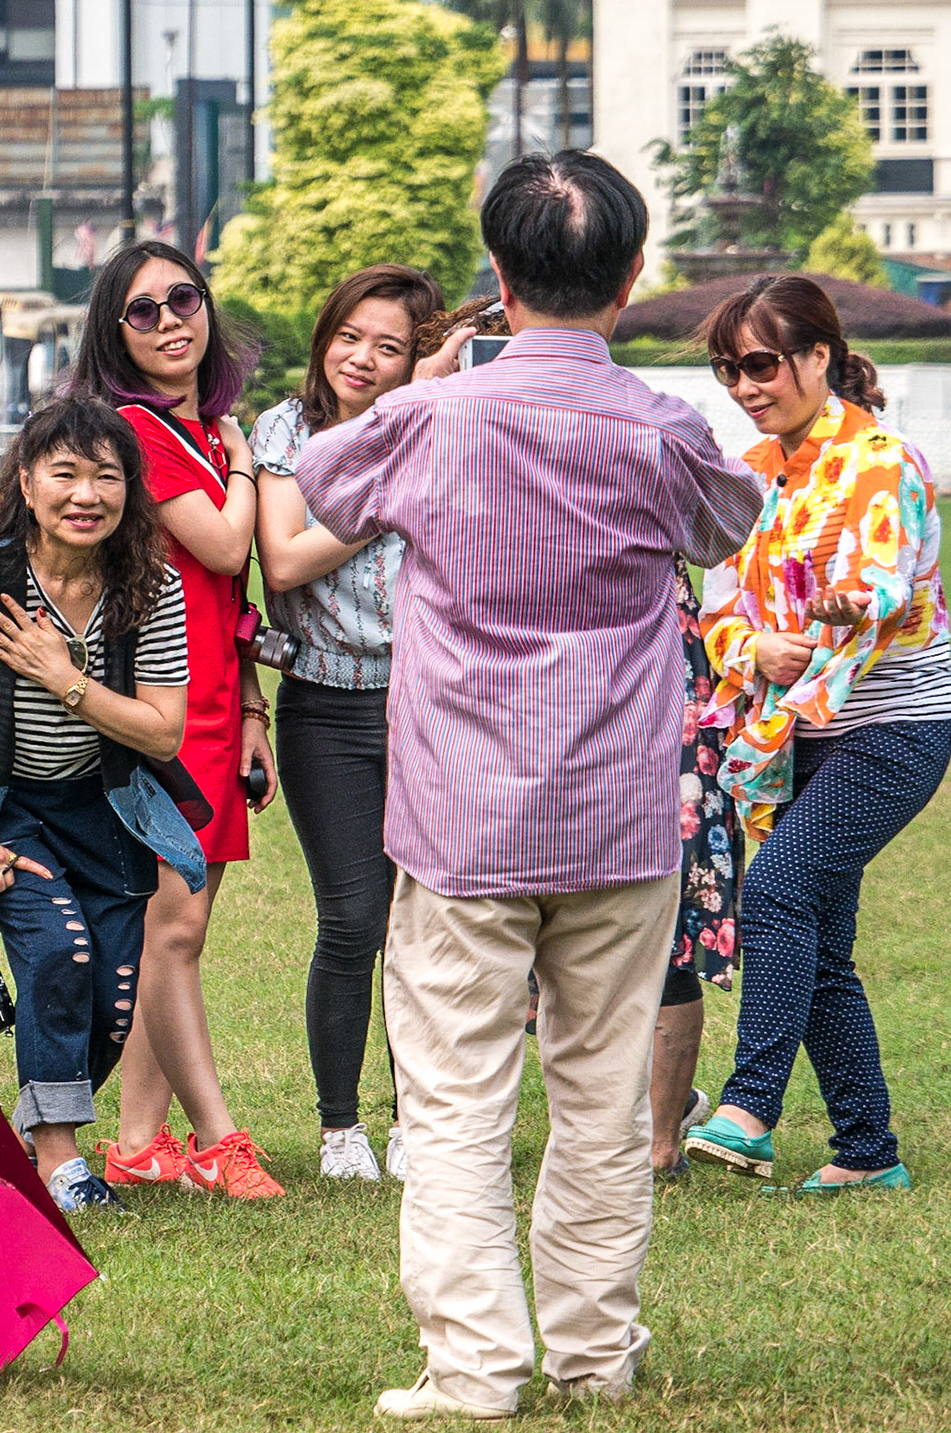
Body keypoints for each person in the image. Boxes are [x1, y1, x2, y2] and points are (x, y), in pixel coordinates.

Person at [296, 151, 762, 1418]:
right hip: (617, 805)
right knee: (602, 1098)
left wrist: (435, 382)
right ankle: (594, 1352)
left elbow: (321, 487)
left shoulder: (431, 418)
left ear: (498, 279)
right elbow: (729, 527)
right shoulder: (664, 425)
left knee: (453, 1101)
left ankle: (477, 1363)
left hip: (459, 809)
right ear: (629, 280)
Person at [0, 397, 197, 1212]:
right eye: (65, 473)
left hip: (106, 805)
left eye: (107, 475)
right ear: (26, 480)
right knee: (61, 953)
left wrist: (65, 679)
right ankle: (62, 1162)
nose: (85, 494)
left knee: (115, 996)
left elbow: (164, 735)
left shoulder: (149, 586)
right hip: (7, 804)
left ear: (131, 489)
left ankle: (36, 1123)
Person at [682, 275, 950, 1196]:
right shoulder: (754, 472)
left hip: (894, 726)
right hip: (801, 728)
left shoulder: (885, 460)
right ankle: (869, 1150)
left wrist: (829, 615)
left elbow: (882, 581)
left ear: (818, 356)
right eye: (729, 368)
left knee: (780, 889)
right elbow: (716, 605)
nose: (747, 385)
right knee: (819, 939)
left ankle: (751, 1106)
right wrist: (755, 640)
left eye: (761, 363)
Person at [66, 239, 282, 1200]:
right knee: (174, 929)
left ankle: (141, 1141)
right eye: (141, 311)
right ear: (113, 335)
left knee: (177, 931)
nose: (169, 322)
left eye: (182, 300)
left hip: (214, 700)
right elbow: (229, 545)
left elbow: (231, 601)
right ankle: (219, 1135)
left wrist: (251, 716)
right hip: (154, 703)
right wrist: (244, 466)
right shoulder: (133, 430)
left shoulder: (203, 429)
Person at [250, 264, 454, 1183]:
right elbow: (285, 560)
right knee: (352, 920)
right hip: (326, 707)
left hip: (434, 700)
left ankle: (419, 1116)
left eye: (391, 346)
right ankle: (341, 1130)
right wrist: (391, 490)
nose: (363, 359)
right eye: (350, 336)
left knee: (428, 924)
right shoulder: (285, 430)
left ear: (423, 358)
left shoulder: (444, 425)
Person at [650, 555, 739, 1178]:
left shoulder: (661, 454)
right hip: (561, 686)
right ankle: (658, 1104)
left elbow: (721, 533)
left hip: (674, 690)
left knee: (674, 921)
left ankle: (659, 1146)